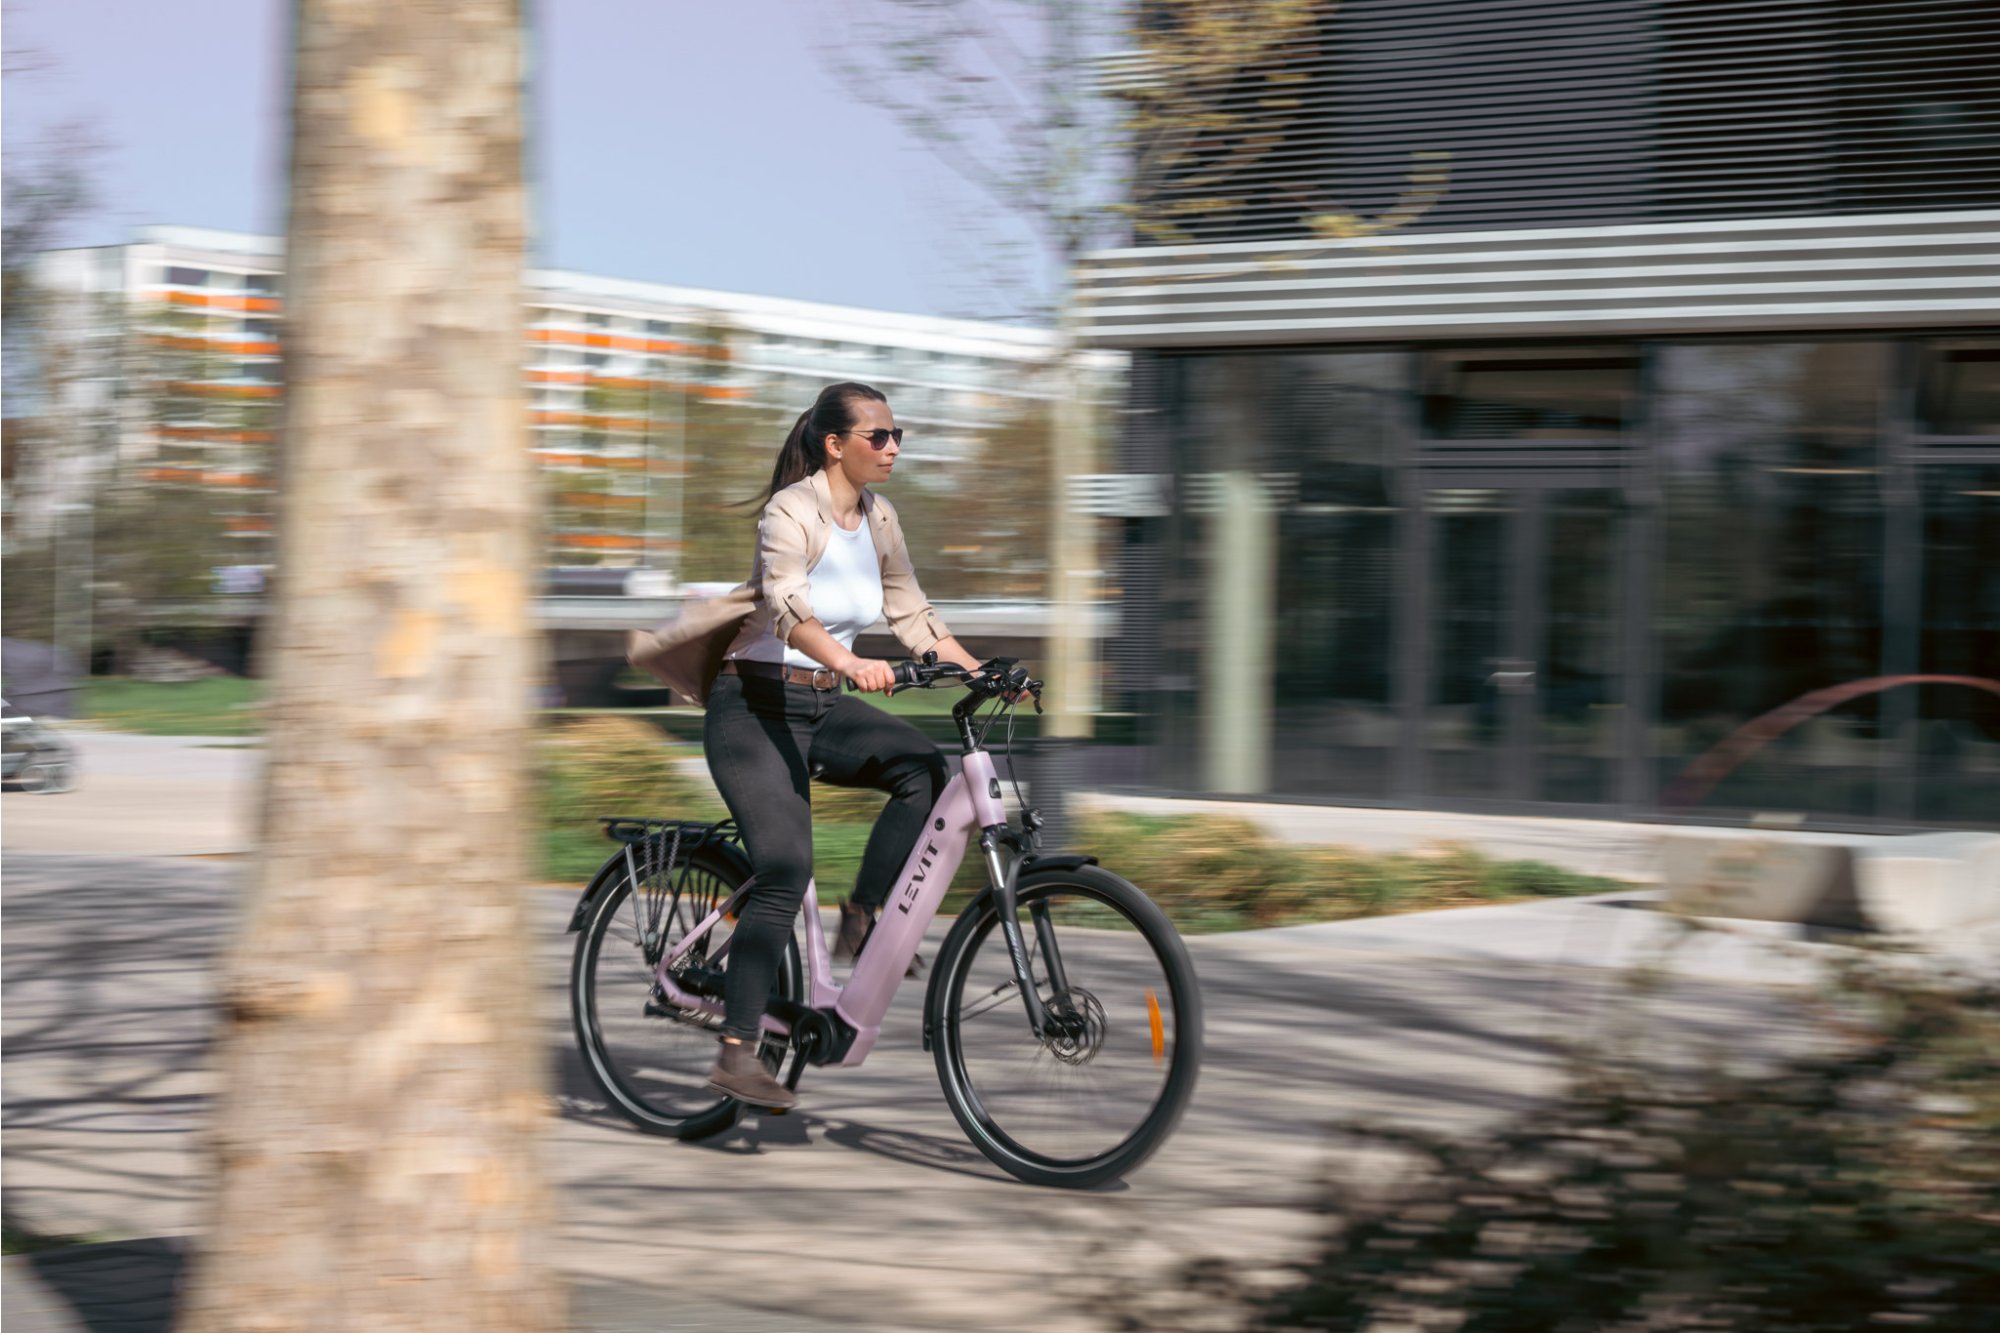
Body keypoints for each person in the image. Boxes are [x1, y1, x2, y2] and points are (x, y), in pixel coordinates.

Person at [629, 381, 995, 1110]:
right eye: (879, 436)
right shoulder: (790, 510)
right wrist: (851, 661)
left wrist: (987, 672)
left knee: (922, 768)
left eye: (898, 436)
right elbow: (788, 604)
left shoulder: (881, 517)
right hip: (754, 706)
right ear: (836, 444)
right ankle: (736, 1051)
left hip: (822, 705)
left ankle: (862, 916)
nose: (893, 448)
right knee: (786, 866)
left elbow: (912, 610)